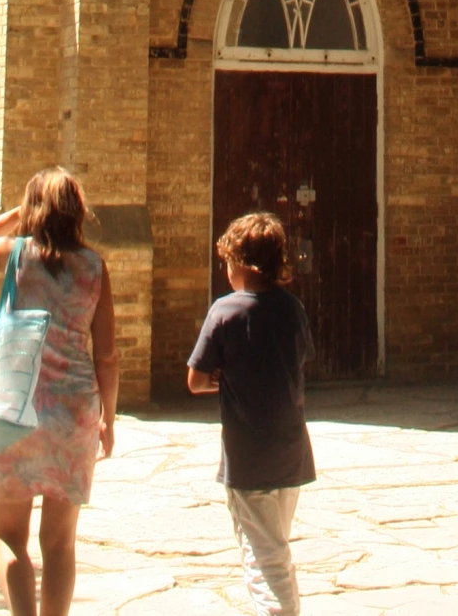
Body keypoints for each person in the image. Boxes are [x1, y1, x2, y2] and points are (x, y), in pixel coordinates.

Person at [0, 171, 117, 616]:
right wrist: (109, 418)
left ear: (34, 212)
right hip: (74, 413)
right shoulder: (93, 267)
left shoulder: (16, 257)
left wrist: (15, 216)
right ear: (78, 213)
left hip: (16, 409)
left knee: (8, 535)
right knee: (61, 544)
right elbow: (107, 356)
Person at [187, 212, 315, 616]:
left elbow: (195, 379)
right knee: (276, 546)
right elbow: (300, 359)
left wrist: (220, 378)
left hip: (248, 458)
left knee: (263, 558)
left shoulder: (225, 312)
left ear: (241, 263)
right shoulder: (292, 308)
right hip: (291, 453)